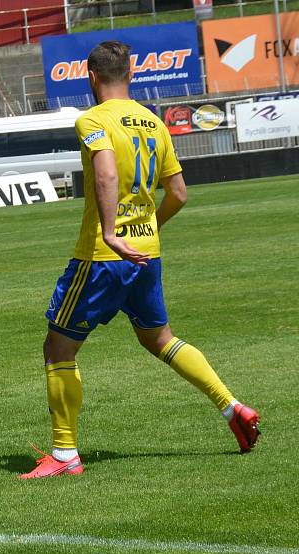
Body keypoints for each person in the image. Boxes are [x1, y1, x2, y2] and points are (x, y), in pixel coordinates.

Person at [20, 41, 260, 478]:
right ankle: (231, 407)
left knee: (58, 346)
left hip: (101, 257)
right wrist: (146, 230)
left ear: (92, 76)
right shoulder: (154, 122)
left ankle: (64, 454)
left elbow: (106, 171)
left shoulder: (92, 119)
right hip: (146, 253)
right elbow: (180, 194)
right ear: (129, 75)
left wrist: (112, 233)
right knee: (160, 339)